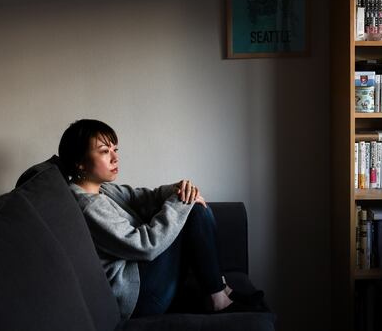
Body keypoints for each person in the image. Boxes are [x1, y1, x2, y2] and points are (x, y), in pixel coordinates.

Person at [54, 119, 262, 320]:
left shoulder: (103, 190)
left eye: (115, 150)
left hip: (145, 278)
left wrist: (179, 189)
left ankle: (219, 288)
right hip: (139, 298)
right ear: (79, 162)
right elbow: (144, 246)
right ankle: (218, 297)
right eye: (104, 151)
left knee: (190, 204)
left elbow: (144, 197)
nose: (115, 158)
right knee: (193, 210)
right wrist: (182, 202)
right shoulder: (88, 206)